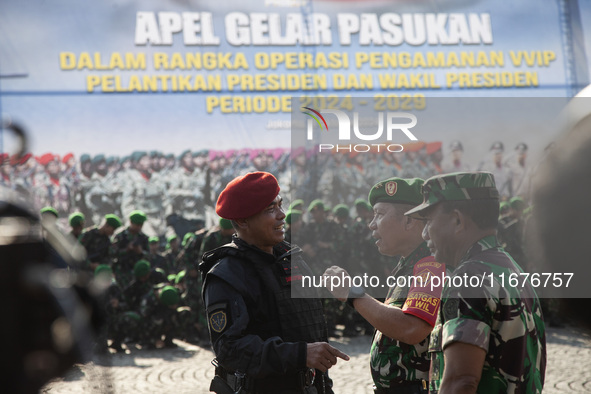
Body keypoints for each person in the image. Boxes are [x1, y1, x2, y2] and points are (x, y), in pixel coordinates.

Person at [199, 171, 349, 394]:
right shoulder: (226, 275)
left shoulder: (290, 258)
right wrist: (300, 354)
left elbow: (309, 328)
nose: (282, 215)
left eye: (280, 205)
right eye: (270, 209)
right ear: (242, 220)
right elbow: (229, 350)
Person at [405, 172, 546, 393]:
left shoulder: (468, 278)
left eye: (428, 221)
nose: (424, 234)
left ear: (458, 220)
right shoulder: (511, 269)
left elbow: (460, 381)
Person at [323, 177, 445, 393]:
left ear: (409, 221)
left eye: (379, 214)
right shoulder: (410, 263)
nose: (371, 224)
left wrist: (352, 293)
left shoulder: (430, 265)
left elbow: (412, 328)